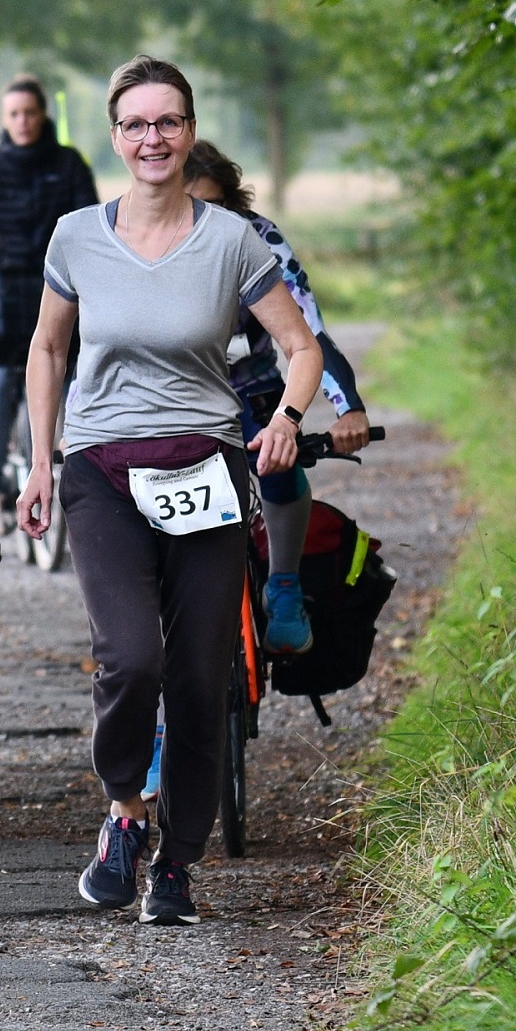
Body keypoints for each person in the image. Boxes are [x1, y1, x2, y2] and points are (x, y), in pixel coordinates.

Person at [17, 56, 324, 926]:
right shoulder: (77, 235)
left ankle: (178, 862)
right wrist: (42, 460)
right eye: (136, 124)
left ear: (189, 131)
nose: (153, 138)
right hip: (104, 469)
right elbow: (47, 349)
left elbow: (299, 348)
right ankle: (123, 813)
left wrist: (289, 417)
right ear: (115, 138)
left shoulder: (232, 241)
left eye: (169, 122)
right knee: (131, 657)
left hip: (208, 469)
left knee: (200, 673)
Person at [184, 142, 371, 652]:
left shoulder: (259, 238)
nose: (204, 221)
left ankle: (283, 584)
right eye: (190, 207)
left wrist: (347, 406)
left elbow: (309, 331)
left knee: (278, 456)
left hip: (250, 388)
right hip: (174, 396)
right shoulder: (140, 241)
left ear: (235, 204)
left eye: (216, 207)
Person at [0, 75, 98, 534]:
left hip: (58, 289)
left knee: (68, 379)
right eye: (14, 114)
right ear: (3, 119)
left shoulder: (69, 164)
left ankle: (63, 469)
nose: (23, 121)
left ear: (42, 114)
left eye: (30, 112)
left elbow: (89, 218)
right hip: (1, 289)